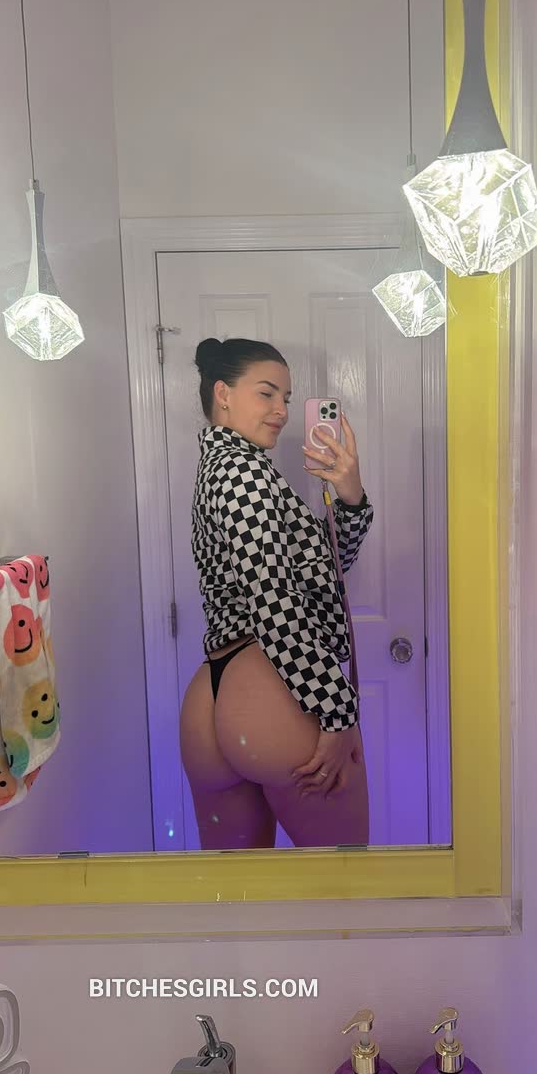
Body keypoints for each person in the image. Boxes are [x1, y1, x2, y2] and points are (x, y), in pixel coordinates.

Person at [180, 336, 374, 849]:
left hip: (213, 695)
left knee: (240, 891)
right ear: (223, 393)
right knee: (343, 881)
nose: (282, 411)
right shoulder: (243, 472)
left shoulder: (220, 467)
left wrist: (349, 495)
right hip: (271, 692)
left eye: (285, 398)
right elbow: (275, 601)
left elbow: (321, 568)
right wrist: (337, 710)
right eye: (266, 393)